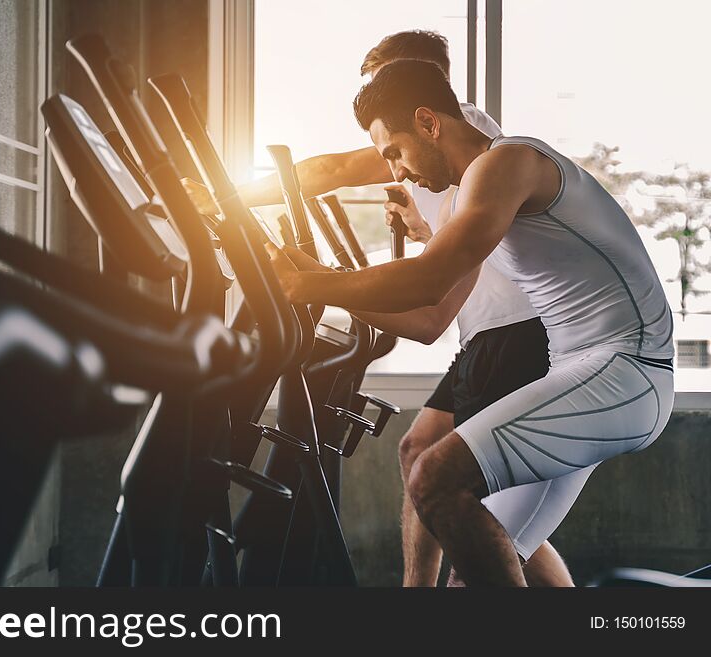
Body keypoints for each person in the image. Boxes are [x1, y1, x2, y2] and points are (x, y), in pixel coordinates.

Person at [185, 30, 574, 587]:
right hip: (486, 334)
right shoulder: (455, 151)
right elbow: (458, 252)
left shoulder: (455, 132)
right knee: (423, 455)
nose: (375, 99)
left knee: (486, 522)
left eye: (381, 84)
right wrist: (419, 230)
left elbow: (331, 172)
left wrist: (221, 198)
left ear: (417, 91)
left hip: (514, 336)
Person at [265, 58, 675, 586]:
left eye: (394, 152)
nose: (396, 172)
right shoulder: (471, 197)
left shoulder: (509, 163)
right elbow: (427, 317)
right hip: (580, 380)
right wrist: (313, 276)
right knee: (470, 575)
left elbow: (427, 279)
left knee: (433, 477)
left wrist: (307, 284)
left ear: (429, 123)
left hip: (626, 371)